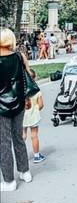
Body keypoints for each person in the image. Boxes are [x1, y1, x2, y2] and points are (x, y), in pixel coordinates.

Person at [0, 28, 32, 192]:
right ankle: (25, 171)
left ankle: (8, 181)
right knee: (18, 137)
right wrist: (27, 98)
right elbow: (26, 78)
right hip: (19, 101)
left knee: (4, 142)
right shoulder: (19, 56)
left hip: (1, 106)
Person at [22, 69, 46, 163]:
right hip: (33, 116)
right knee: (34, 135)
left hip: (22, 116)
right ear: (34, 79)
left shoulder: (20, 91)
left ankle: (21, 156)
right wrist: (36, 109)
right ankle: (37, 156)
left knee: (23, 136)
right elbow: (41, 105)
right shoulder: (36, 91)